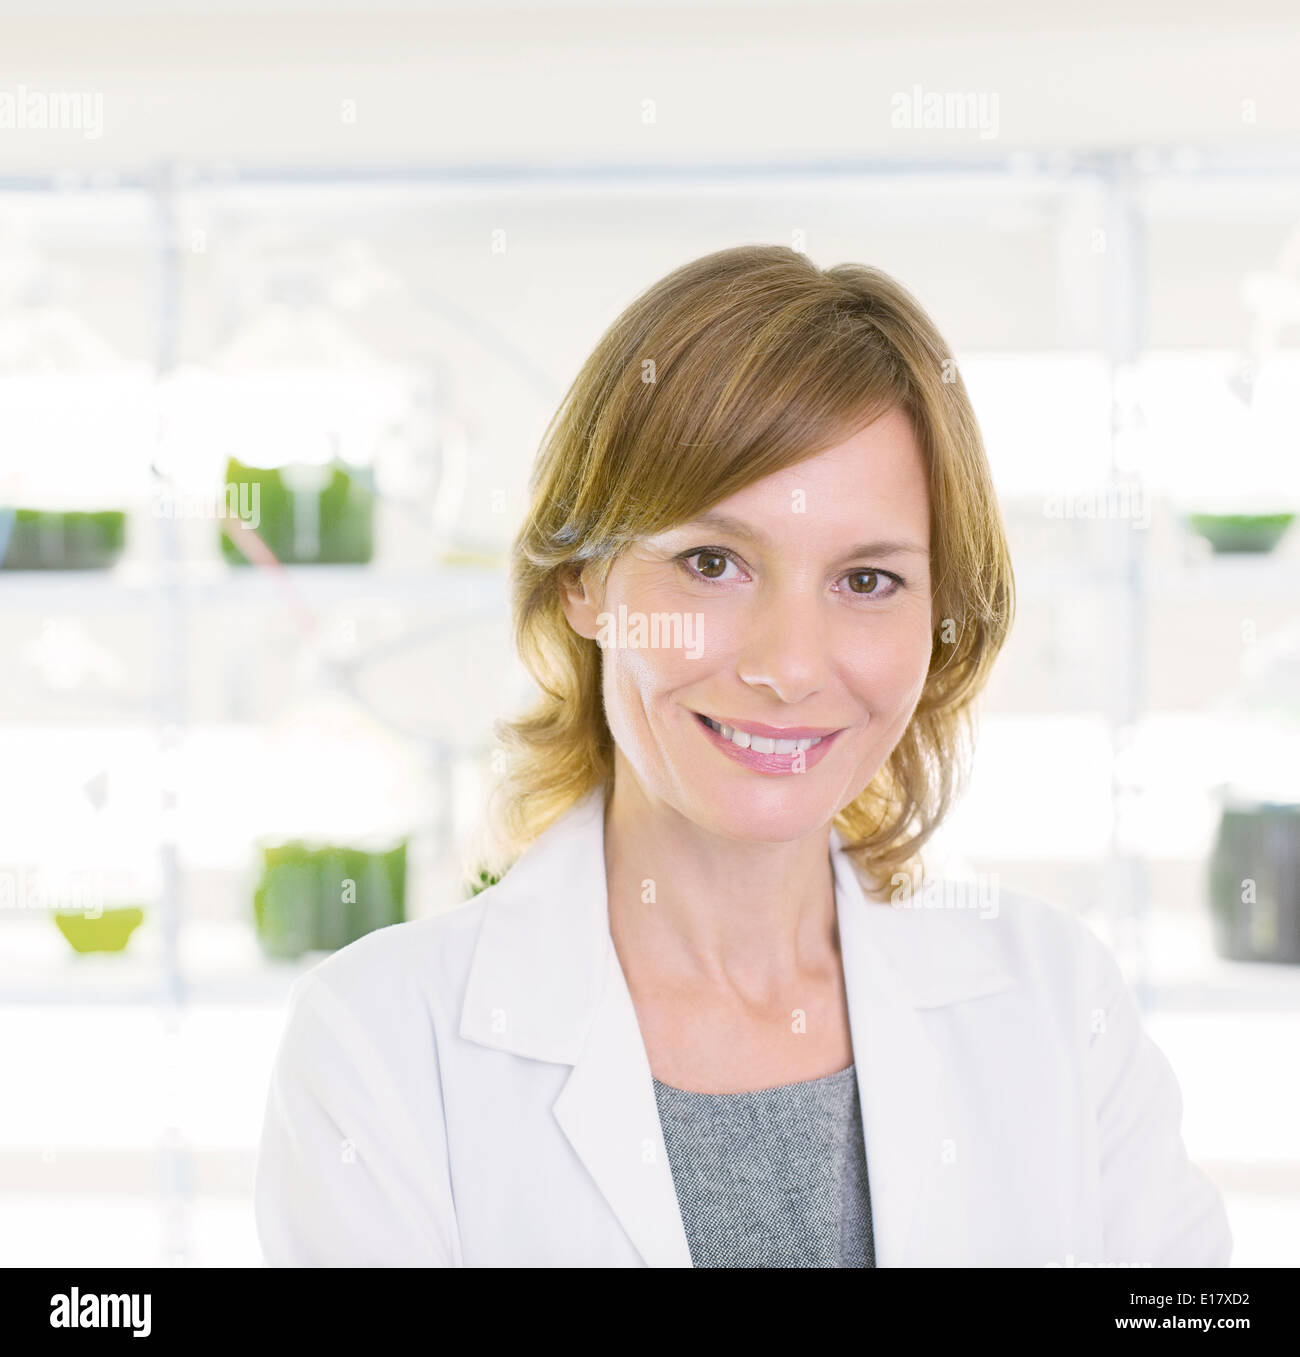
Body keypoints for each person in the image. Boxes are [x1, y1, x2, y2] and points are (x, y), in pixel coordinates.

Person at [254, 244, 1232, 1267]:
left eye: (866, 581)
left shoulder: (1055, 1005)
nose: (790, 665)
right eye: (711, 563)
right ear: (582, 581)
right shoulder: (381, 1048)